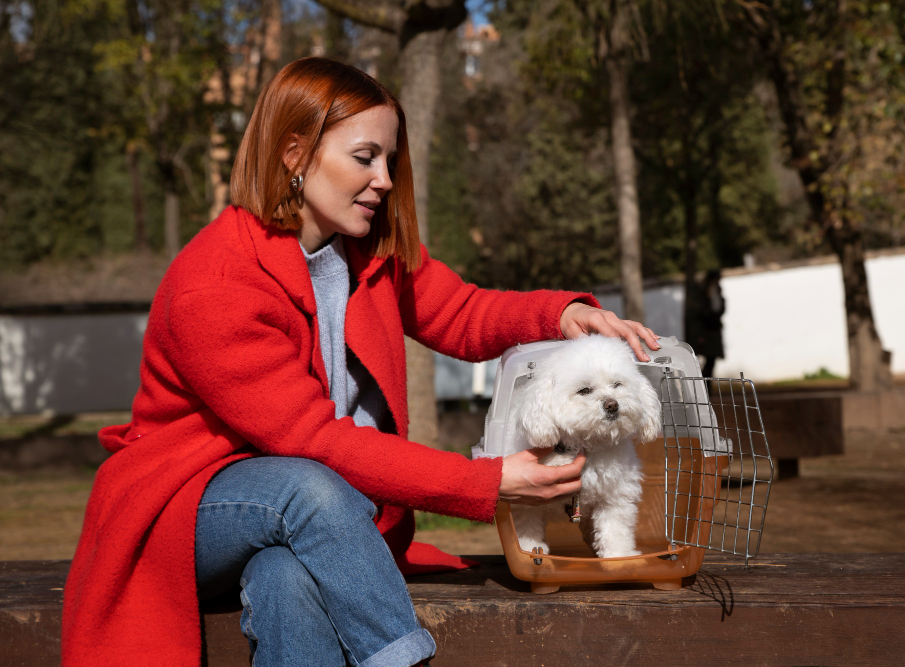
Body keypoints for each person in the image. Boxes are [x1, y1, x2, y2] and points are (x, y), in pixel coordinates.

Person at [61, 57, 661, 667]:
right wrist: (488, 481)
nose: (383, 179)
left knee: (285, 581)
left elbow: (461, 312)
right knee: (307, 485)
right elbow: (312, 442)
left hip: (310, 521)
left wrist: (561, 315)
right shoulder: (215, 285)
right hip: (186, 512)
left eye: (389, 161)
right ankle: (404, 659)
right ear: (294, 154)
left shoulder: (366, 250)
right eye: (364, 157)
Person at [688, 269, 725, 378]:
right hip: (704, 333)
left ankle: (707, 388)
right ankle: (702, 387)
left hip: (713, 332)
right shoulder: (700, 294)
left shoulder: (717, 292)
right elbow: (698, 315)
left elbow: (719, 310)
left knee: (711, 361)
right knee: (699, 362)